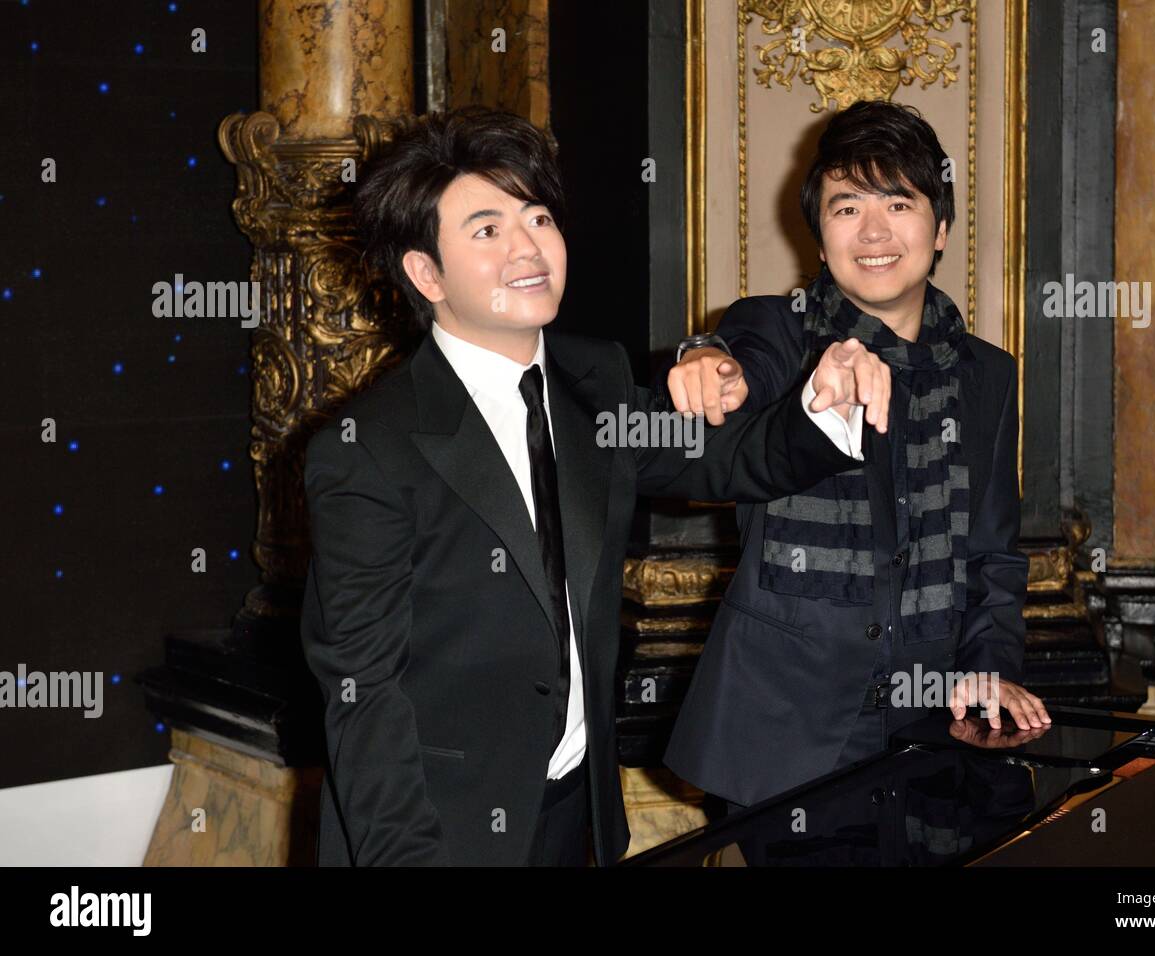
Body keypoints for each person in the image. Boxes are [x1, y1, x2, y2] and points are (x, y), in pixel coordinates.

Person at [300, 106, 889, 865]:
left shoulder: (593, 382)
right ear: (426, 272)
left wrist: (824, 403)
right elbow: (364, 699)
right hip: (441, 834)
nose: (529, 248)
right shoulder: (367, 451)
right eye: (487, 230)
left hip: (580, 820)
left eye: (538, 217)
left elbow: (726, 458)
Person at [662, 100, 1050, 816]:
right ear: (820, 235)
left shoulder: (988, 375)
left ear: (939, 229)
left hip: (933, 737)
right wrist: (704, 362)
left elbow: (993, 555)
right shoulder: (779, 332)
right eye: (846, 208)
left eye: (898, 202)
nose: (873, 231)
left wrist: (989, 668)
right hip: (777, 748)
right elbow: (732, 372)